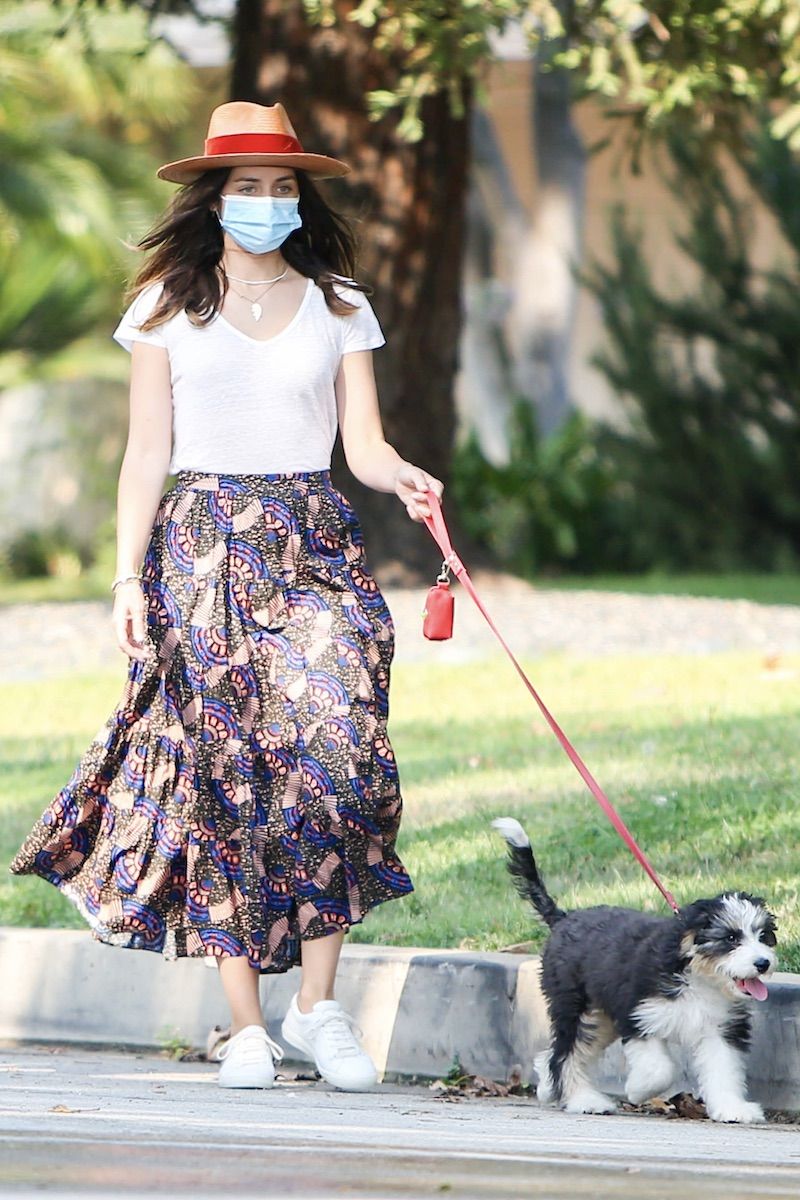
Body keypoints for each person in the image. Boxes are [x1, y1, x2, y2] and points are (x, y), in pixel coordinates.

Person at [10, 100, 443, 1092]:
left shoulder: (339, 303)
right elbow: (146, 454)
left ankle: (317, 1008)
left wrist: (404, 478)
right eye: (248, 185)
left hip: (312, 542)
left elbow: (363, 444)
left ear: (300, 197)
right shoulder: (165, 304)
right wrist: (126, 576)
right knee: (223, 780)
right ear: (214, 198)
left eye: (282, 186)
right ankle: (246, 1024)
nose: (266, 200)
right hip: (200, 548)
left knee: (341, 754)